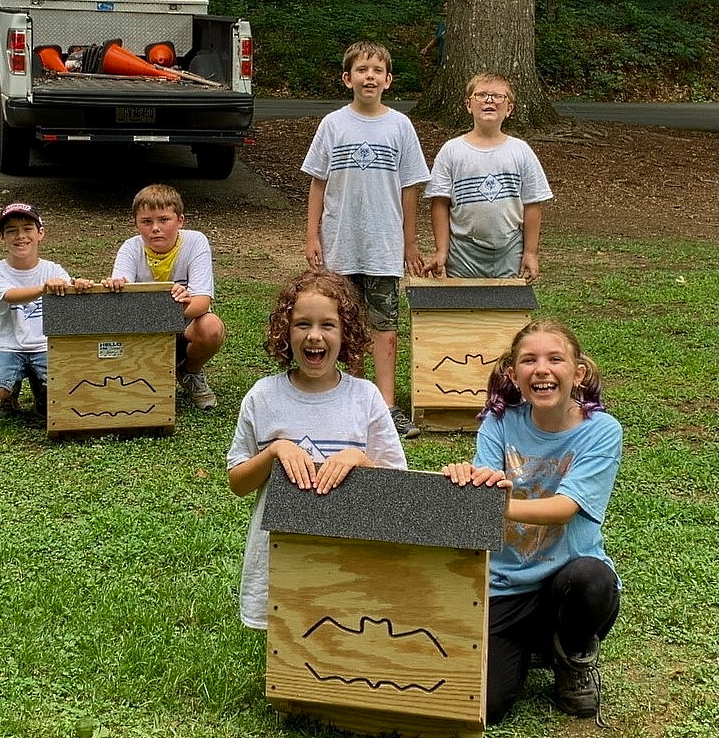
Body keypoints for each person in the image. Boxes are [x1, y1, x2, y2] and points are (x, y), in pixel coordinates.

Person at [441, 318, 621, 722]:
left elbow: (564, 508)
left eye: (555, 358)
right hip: (503, 586)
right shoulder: (498, 424)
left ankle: (573, 659)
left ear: (579, 372)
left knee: (592, 579)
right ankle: (530, 649)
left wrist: (500, 505)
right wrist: (464, 481)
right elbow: (482, 488)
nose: (541, 368)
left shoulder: (601, 431)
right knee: (486, 707)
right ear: (513, 373)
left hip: (565, 581)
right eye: (529, 360)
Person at [227, 270, 407, 629]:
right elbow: (238, 482)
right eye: (301, 324)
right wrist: (275, 451)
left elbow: (398, 487)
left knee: (346, 633)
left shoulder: (366, 398)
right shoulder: (263, 397)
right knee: (290, 652)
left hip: (351, 557)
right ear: (284, 332)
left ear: (346, 333)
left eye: (328, 324)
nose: (314, 335)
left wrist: (359, 458)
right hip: (280, 554)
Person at [302, 40, 431, 439]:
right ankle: (352, 400)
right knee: (345, 324)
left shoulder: (400, 126)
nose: (369, 77)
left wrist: (409, 243)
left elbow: (411, 187)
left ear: (388, 80)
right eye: (361, 70)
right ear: (347, 79)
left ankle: (387, 405)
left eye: (377, 71)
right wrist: (313, 235)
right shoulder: (333, 124)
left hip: (383, 246)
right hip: (341, 244)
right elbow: (317, 183)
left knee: (384, 326)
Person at [101, 184, 227, 410]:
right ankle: (140, 373)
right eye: (146, 222)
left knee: (212, 327)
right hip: (143, 328)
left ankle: (189, 371)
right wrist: (116, 286)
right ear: (136, 224)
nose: (155, 229)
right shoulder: (130, 248)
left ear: (180, 220)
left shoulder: (196, 242)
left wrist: (175, 304)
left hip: (183, 322)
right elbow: (121, 302)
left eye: (164, 220)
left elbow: (201, 303)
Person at [425, 72, 552, 280]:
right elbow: (440, 203)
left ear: (509, 108)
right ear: (468, 105)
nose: (489, 100)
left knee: (505, 308)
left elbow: (532, 204)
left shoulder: (521, 151)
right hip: (463, 251)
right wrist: (442, 251)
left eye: (498, 96)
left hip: (509, 249)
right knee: (464, 307)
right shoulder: (452, 151)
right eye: (481, 95)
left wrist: (530, 253)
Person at [0, 203, 92, 419]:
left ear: (40, 233)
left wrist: (81, 285)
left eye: (27, 229)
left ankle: (43, 393)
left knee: (74, 385)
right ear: (2, 237)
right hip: (9, 346)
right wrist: (43, 288)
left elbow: (70, 292)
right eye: (11, 231)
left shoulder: (53, 269)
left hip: (46, 345)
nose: (20, 236)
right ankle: (8, 394)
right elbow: (10, 295)